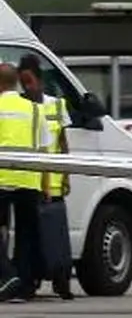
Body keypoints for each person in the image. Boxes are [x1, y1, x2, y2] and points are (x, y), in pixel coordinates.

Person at [18, 56, 73, 300]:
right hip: (30, 182)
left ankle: (62, 282)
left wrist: (67, 174)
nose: (26, 87)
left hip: (55, 183)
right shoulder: (21, 106)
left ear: (40, 80)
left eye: (29, 81)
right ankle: (30, 281)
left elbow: (63, 142)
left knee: (56, 235)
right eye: (22, 82)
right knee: (31, 237)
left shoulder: (56, 105)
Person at [0, 63, 51, 302]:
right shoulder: (35, 110)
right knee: (26, 234)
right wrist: (46, 184)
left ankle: (8, 277)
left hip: (1, 179)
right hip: (30, 179)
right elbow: (44, 150)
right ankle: (25, 286)